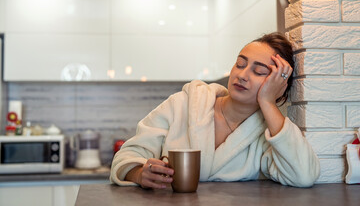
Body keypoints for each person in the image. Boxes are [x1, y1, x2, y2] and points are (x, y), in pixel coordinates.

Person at [110, 32, 320, 188]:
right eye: (240, 64)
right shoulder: (182, 104)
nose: (242, 75)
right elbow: (128, 154)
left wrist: (268, 102)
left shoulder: (268, 135)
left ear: (278, 86)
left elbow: (304, 175)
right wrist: (138, 173)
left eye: (259, 71)